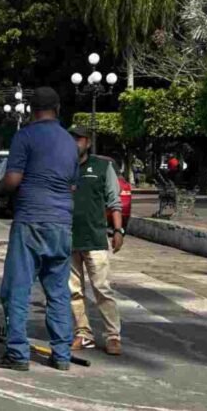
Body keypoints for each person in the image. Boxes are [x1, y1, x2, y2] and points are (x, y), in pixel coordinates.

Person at [0, 87, 78, 372]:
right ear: (58, 108)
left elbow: (13, 179)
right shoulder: (69, 142)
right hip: (62, 223)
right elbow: (72, 186)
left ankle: (17, 353)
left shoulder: (24, 136)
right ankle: (61, 355)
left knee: (16, 288)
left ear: (30, 109)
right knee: (58, 291)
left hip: (30, 221)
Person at [68, 125, 125, 356]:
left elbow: (114, 200)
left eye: (78, 140)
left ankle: (113, 335)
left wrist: (118, 231)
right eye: (71, 139)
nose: (74, 144)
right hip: (68, 239)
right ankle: (83, 333)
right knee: (73, 291)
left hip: (95, 238)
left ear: (87, 143)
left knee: (102, 289)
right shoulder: (63, 167)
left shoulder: (102, 167)